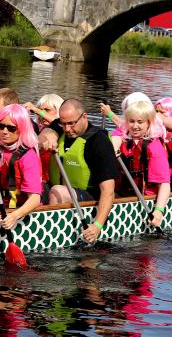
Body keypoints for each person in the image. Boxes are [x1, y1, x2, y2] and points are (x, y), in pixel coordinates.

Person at [39, 99, 120, 243]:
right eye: (63, 124)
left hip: (91, 196)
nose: (67, 129)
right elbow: (45, 133)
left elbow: (108, 191)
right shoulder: (61, 126)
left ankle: (50, 236)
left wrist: (97, 225)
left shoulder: (99, 141)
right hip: (63, 190)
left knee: (58, 191)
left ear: (84, 117)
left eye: (71, 123)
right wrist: (47, 137)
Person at [116, 101, 170, 227]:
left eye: (140, 122)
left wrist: (158, 211)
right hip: (124, 192)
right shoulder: (124, 139)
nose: (135, 126)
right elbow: (116, 135)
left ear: (149, 123)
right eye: (131, 121)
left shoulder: (153, 147)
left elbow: (164, 183)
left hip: (146, 197)